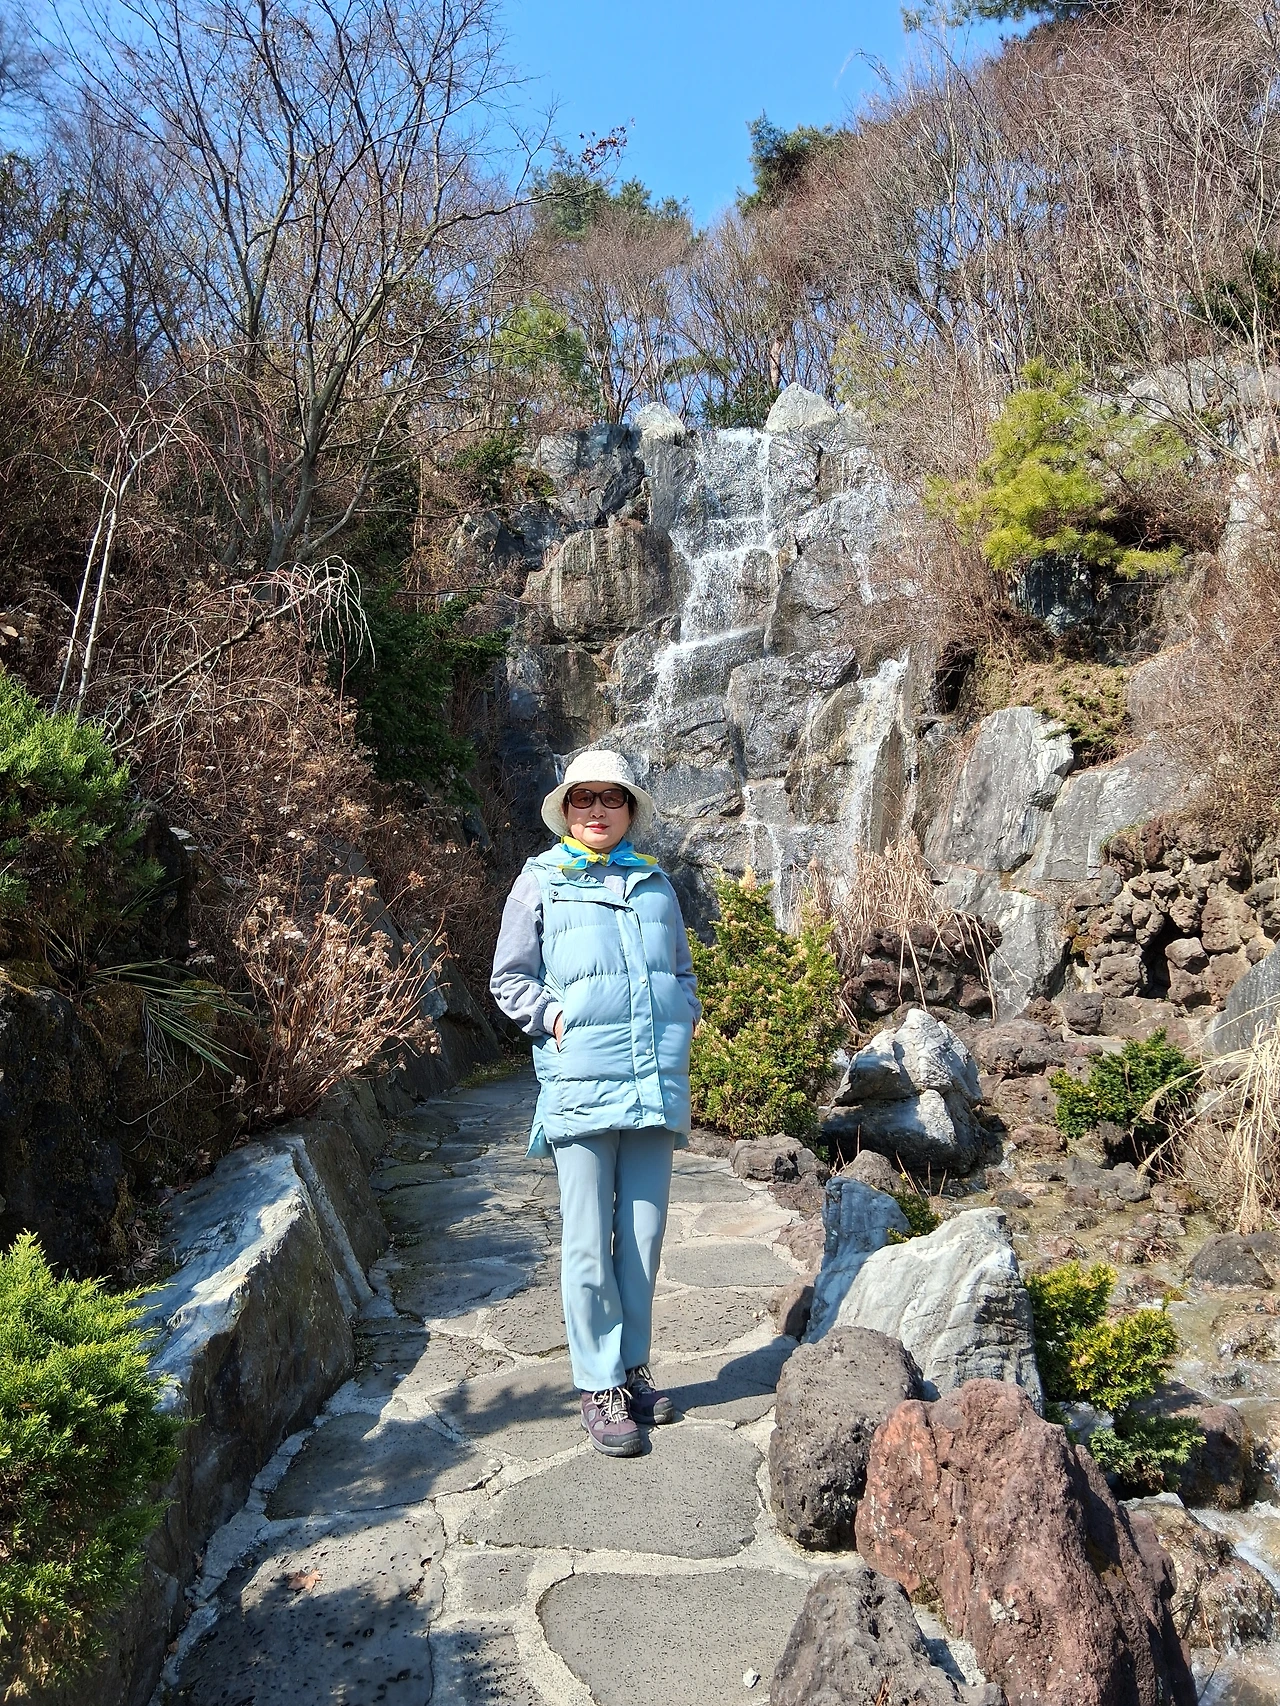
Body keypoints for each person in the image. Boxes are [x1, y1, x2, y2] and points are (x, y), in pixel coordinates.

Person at [489, 750, 700, 1458]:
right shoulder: (539, 881)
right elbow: (509, 978)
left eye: (612, 798)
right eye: (585, 798)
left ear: (630, 810)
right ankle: (599, 1383)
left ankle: (632, 1369)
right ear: (567, 809)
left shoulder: (656, 884)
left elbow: (681, 971)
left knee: (642, 1239)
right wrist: (555, 1021)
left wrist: (683, 1016)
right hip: (580, 1083)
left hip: (653, 1083)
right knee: (587, 1242)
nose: (599, 810)